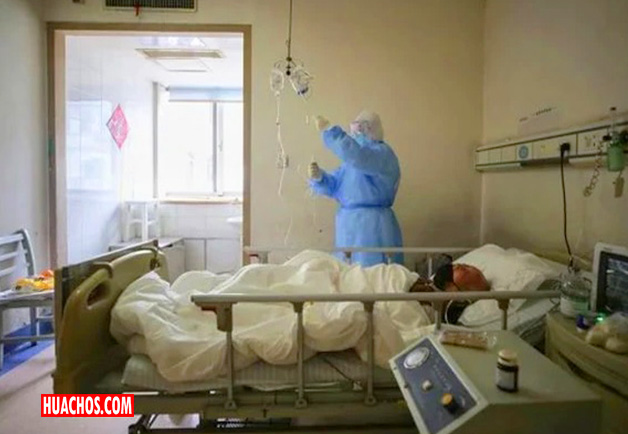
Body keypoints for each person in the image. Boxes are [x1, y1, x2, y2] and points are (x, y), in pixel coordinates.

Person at [308, 111, 403, 266]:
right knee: (347, 273)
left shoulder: (382, 154)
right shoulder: (352, 163)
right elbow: (336, 185)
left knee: (374, 273)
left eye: (360, 128)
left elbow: (358, 157)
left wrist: (330, 131)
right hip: (347, 225)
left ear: (371, 128)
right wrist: (320, 178)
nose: (355, 133)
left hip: (373, 226)